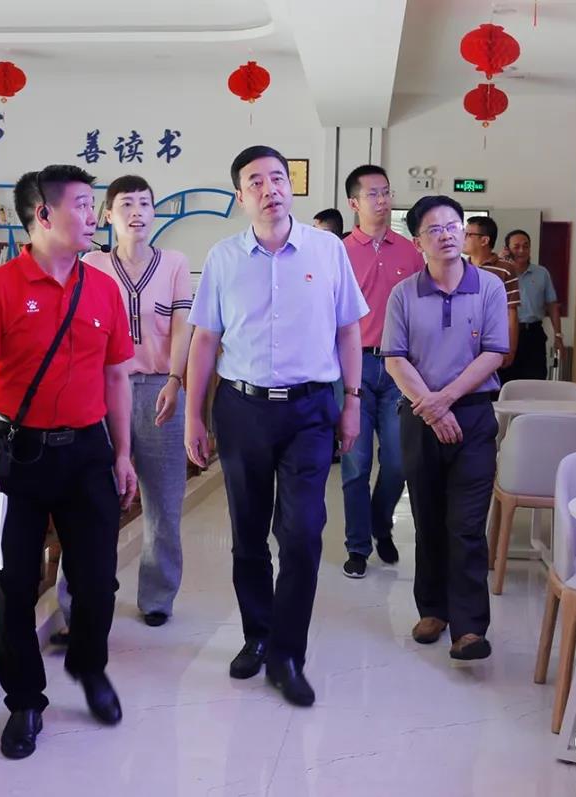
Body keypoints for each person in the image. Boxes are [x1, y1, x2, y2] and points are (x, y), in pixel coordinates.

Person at [0, 165, 138, 760]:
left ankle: (90, 666)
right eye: (83, 205)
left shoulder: (103, 288)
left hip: (87, 454)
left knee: (97, 581)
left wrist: (122, 454)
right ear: (43, 215)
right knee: (12, 586)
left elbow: (117, 377)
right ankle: (24, 702)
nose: (93, 215)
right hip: (17, 457)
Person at [185, 145, 366, 706]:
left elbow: (349, 330)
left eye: (278, 178)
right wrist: (193, 414)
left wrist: (352, 401)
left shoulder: (327, 250)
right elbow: (205, 339)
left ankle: (288, 653)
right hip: (242, 409)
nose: (270, 189)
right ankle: (257, 636)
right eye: (256, 182)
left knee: (304, 532)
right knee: (247, 533)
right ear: (240, 196)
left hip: (310, 410)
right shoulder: (222, 258)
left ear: (291, 186)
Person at [381, 195, 508, 661]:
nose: (447, 235)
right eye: (434, 229)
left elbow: (494, 354)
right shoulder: (403, 294)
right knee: (428, 519)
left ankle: (470, 627)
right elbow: (395, 359)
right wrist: (432, 409)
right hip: (420, 416)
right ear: (418, 242)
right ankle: (433, 609)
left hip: (472, 415)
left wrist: (447, 400)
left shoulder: (489, 286)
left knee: (467, 525)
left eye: (454, 225)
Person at [83, 174, 194, 627]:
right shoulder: (92, 264)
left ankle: (157, 598)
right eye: (126, 204)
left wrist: (176, 379)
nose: (137, 212)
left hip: (159, 389)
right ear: (108, 215)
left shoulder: (174, 263)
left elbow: (184, 327)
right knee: (92, 503)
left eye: (145, 204)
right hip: (101, 392)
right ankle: (83, 602)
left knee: (163, 503)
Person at [338, 165, 424, 578]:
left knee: (398, 461)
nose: (383, 200)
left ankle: (379, 522)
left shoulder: (410, 252)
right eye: (373, 194)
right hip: (352, 368)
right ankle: (357, 546)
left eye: (386, 192)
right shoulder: (338, 252)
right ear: (354, 203)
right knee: (355, 464)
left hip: (398, 368)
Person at [501, 229, 564, 381]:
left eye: (526, 246)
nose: (521, 250)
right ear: (507, 249)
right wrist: (500, 262)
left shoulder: (541, 273)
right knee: (505, 382)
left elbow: (552, 305)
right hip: (506, 334)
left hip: (533, 334)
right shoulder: (500, 273)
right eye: (516, 247)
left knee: (535, 381)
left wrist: (558, 336)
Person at [464, 215, 519, 371]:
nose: (463, 238)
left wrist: (510, 348)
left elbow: (511, 312)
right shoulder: (461, 268)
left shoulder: (505, 269)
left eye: (468, 234)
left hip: (493, 342)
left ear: (484, 240)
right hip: (465, 344)